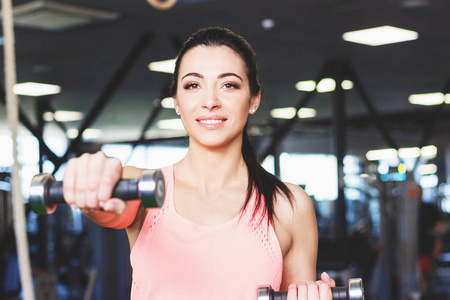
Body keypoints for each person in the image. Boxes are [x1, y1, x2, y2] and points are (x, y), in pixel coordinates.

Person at [62, 27, 335, 299]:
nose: (210, 101)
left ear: (254, 99)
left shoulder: (289, 205)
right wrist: (94, 185)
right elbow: (110, 209)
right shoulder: (144, 186)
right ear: (177, 102)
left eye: (229, 85)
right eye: (193, 85)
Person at [416, 185, 444, 295]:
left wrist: (438, 246)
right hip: (411, 251)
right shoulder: (406, 210)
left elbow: (439, 228)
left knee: (426, 278)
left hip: (427, 249)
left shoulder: (429, 208)